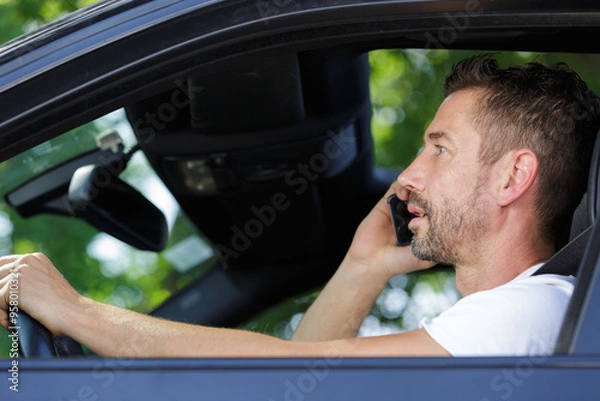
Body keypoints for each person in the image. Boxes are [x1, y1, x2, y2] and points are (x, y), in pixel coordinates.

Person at [1, 54, 599, 358]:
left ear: (513, 176)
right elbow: (303, 383)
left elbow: (303, 375)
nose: (410, 177)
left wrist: (77, 312)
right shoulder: (509, 322)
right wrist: (364, 267)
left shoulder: (534, 311)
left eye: (439, 150)